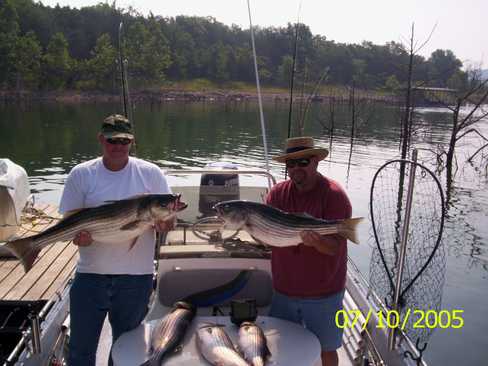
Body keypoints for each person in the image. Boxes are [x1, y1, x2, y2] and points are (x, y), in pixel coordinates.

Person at [59, 114, 174, 366]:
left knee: (126, 352)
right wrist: (79, 239)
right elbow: (71, 220)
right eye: (112, 140)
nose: (119, 146)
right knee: (80, 351)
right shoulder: (81, 174)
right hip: (90, 276)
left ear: (132, 141)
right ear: (101, 139)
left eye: (124, 140)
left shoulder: (150, 173)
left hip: (135, 279)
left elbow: (169, 222)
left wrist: (165, 223)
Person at [266, 137, 352, 366]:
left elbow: (334, 247)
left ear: (315, 161)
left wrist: (316, 243)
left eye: (301, 162)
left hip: (324, 295)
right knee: (280, 349)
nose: (295, 169)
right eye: (290, 164)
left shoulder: (334, 195)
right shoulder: (276, 194)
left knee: (327, 351)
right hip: (283, 292)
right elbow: (269, 238)